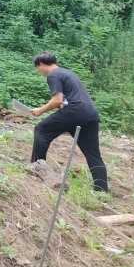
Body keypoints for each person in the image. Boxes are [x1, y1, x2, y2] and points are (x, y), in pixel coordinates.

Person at [30, 51, 108, 192]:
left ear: (41, 64)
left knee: (41, 129)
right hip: (90, 114)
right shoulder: (67, 72)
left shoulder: (53, 75)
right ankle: (101, 190)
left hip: (75, 111)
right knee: (93, 154)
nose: (39, 71)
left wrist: (40, 110)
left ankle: (36, 168)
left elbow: (58, 99)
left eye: (37, 68)